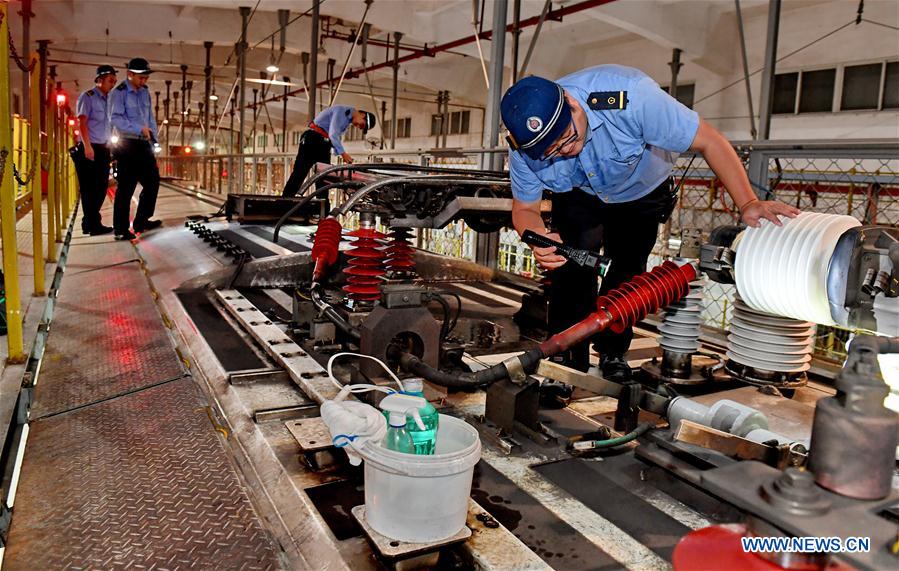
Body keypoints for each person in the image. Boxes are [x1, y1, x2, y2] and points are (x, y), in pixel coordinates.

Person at [500, 65, 799, 379]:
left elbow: (710, 141)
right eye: (553, 151)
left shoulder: (632, 97)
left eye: (567, 137)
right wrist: (534, 235)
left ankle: (613, 353)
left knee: (627, 271)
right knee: (570, 269)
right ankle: (564, 363)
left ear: (573, 104)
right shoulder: (525, 150)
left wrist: (748, 202)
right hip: (582, 192)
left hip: (641, 191)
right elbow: (524, 208)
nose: (565, 150)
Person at [108, 57, 162, 240]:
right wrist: (138, 129)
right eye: (141, 78)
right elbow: (115, 119)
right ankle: (121, 229)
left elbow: (149, 117)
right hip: (127, 144)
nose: (144, 81)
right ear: (129, 74)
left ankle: (142, 220)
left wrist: (154, 136)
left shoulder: (145, 92)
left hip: (144, 144)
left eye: (146, 78)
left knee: (153, 182)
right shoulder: (119, 93)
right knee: (126, 188)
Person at [282, 105, 376, 197]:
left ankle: (322, 207)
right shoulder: (341, 111)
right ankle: (285, 202)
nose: (358, 127)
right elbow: (333, 134)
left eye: (360, 128)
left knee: (323, 177)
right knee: (300, 173)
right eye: (362, 125)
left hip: (323, 142)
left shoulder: (347, 120)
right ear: (363, 115)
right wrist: (343, 154)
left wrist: (338, 151)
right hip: (313, 139)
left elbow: (332, 136)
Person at [73, 64, 117, 235]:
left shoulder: (109, 101)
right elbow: (82, 122)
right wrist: (87, 146)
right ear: (99, 80)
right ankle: (93, 224)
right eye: (110, 81)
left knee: (100, 188)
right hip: (90, 148)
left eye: (114, 81)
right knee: (89, 188)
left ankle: (88, 223)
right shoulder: (88, 97)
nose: (112, 84)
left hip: (103, 148)